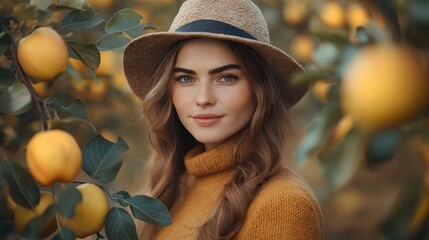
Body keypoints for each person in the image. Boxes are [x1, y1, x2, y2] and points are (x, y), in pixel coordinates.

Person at [123, 0, 323, 239]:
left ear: (260, 90)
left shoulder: (284, 205)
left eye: (226, 77)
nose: (203, 98)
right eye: (186, 79)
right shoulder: (170, 190)